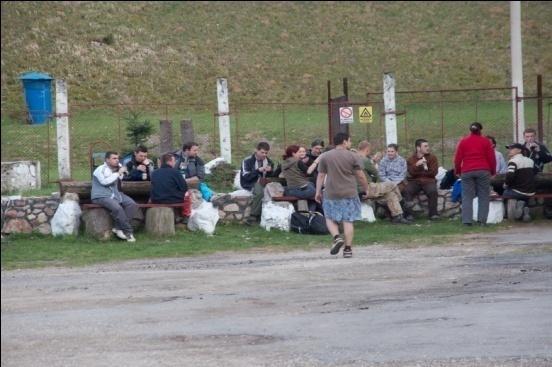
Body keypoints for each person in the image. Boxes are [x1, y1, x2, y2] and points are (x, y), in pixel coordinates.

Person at [315, 132, 369, 258]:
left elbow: (321, 175)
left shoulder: (325, 156)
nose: (350, 143)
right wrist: (366, 188)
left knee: (329, 217)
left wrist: (317, 191)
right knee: (348, 220)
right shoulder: (353, 156)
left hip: (331, 192)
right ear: (344, 142)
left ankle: (336, 237)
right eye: (349, 141)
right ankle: (348, 249)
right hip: (349, 192)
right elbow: (360, 175)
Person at [357, 141, 410, 224]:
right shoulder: (364, 159)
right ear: (367, 149)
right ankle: (402, 203)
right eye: (370, 150)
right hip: (365, 189)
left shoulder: (354, 158)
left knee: (390, 194)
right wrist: (374, 162)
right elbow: (376, 173)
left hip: (359, 188)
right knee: (391, 185)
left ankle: (397, 217)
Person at [454, 123, 496, 226]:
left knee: (467, 196)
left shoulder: (463, 142)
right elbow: (491, 158)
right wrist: (493, 171)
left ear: (470, 130)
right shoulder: (485, 141)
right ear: (480, 130)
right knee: (483, 195)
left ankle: (467, 221)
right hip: (483, 170)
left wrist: (458, 171)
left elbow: (458, 158)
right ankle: (482, 221)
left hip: (467, 170)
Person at [91, 151, 138, 242]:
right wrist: (118, 173)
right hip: (101, 196)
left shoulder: (116, 168)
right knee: (118, 208)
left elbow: (121, 179)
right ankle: (128, 233)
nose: (117, 160)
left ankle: (118, 228)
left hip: (115, 194)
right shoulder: (100, 169)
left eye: (117, 158)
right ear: (107, 160)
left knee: (132, 204)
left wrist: (123, 172)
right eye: (114, 158)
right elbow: (104, 182)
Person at [240, 141, 276, 225]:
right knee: (260, 192)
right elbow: (245, 176)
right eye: (262, 152)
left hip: (264, 182)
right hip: (249, 183)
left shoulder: (269, 162)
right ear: (256, 150)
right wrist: (258, 170)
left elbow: (271, 176)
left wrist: (270, 171)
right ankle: (253, 216)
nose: (264, 155)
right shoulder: (247, 161)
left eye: (266, 153)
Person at [404, 139, 440, 220]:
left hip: (429, 180)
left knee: (433, 191)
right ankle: (409, 215)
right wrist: (417, 165)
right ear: (418, 148)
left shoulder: (432, 158)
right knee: (407, 190)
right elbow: (411, 173)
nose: (428, 148)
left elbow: (434, 173)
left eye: (428, 146)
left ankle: (433, 214)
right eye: (425, 146)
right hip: (415, 181)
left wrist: (425, 167)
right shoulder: (411, 159)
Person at [503, 143, 536, 221]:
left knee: (505, 193)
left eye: (512, 149)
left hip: (518, 191)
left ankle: (506, 216)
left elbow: (510, 176)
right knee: (523, 196)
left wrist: (505, 184)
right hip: (531, 191)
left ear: (519, 150)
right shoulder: (530, 161)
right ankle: (525, 210)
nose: (510, 150)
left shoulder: (513, 161)